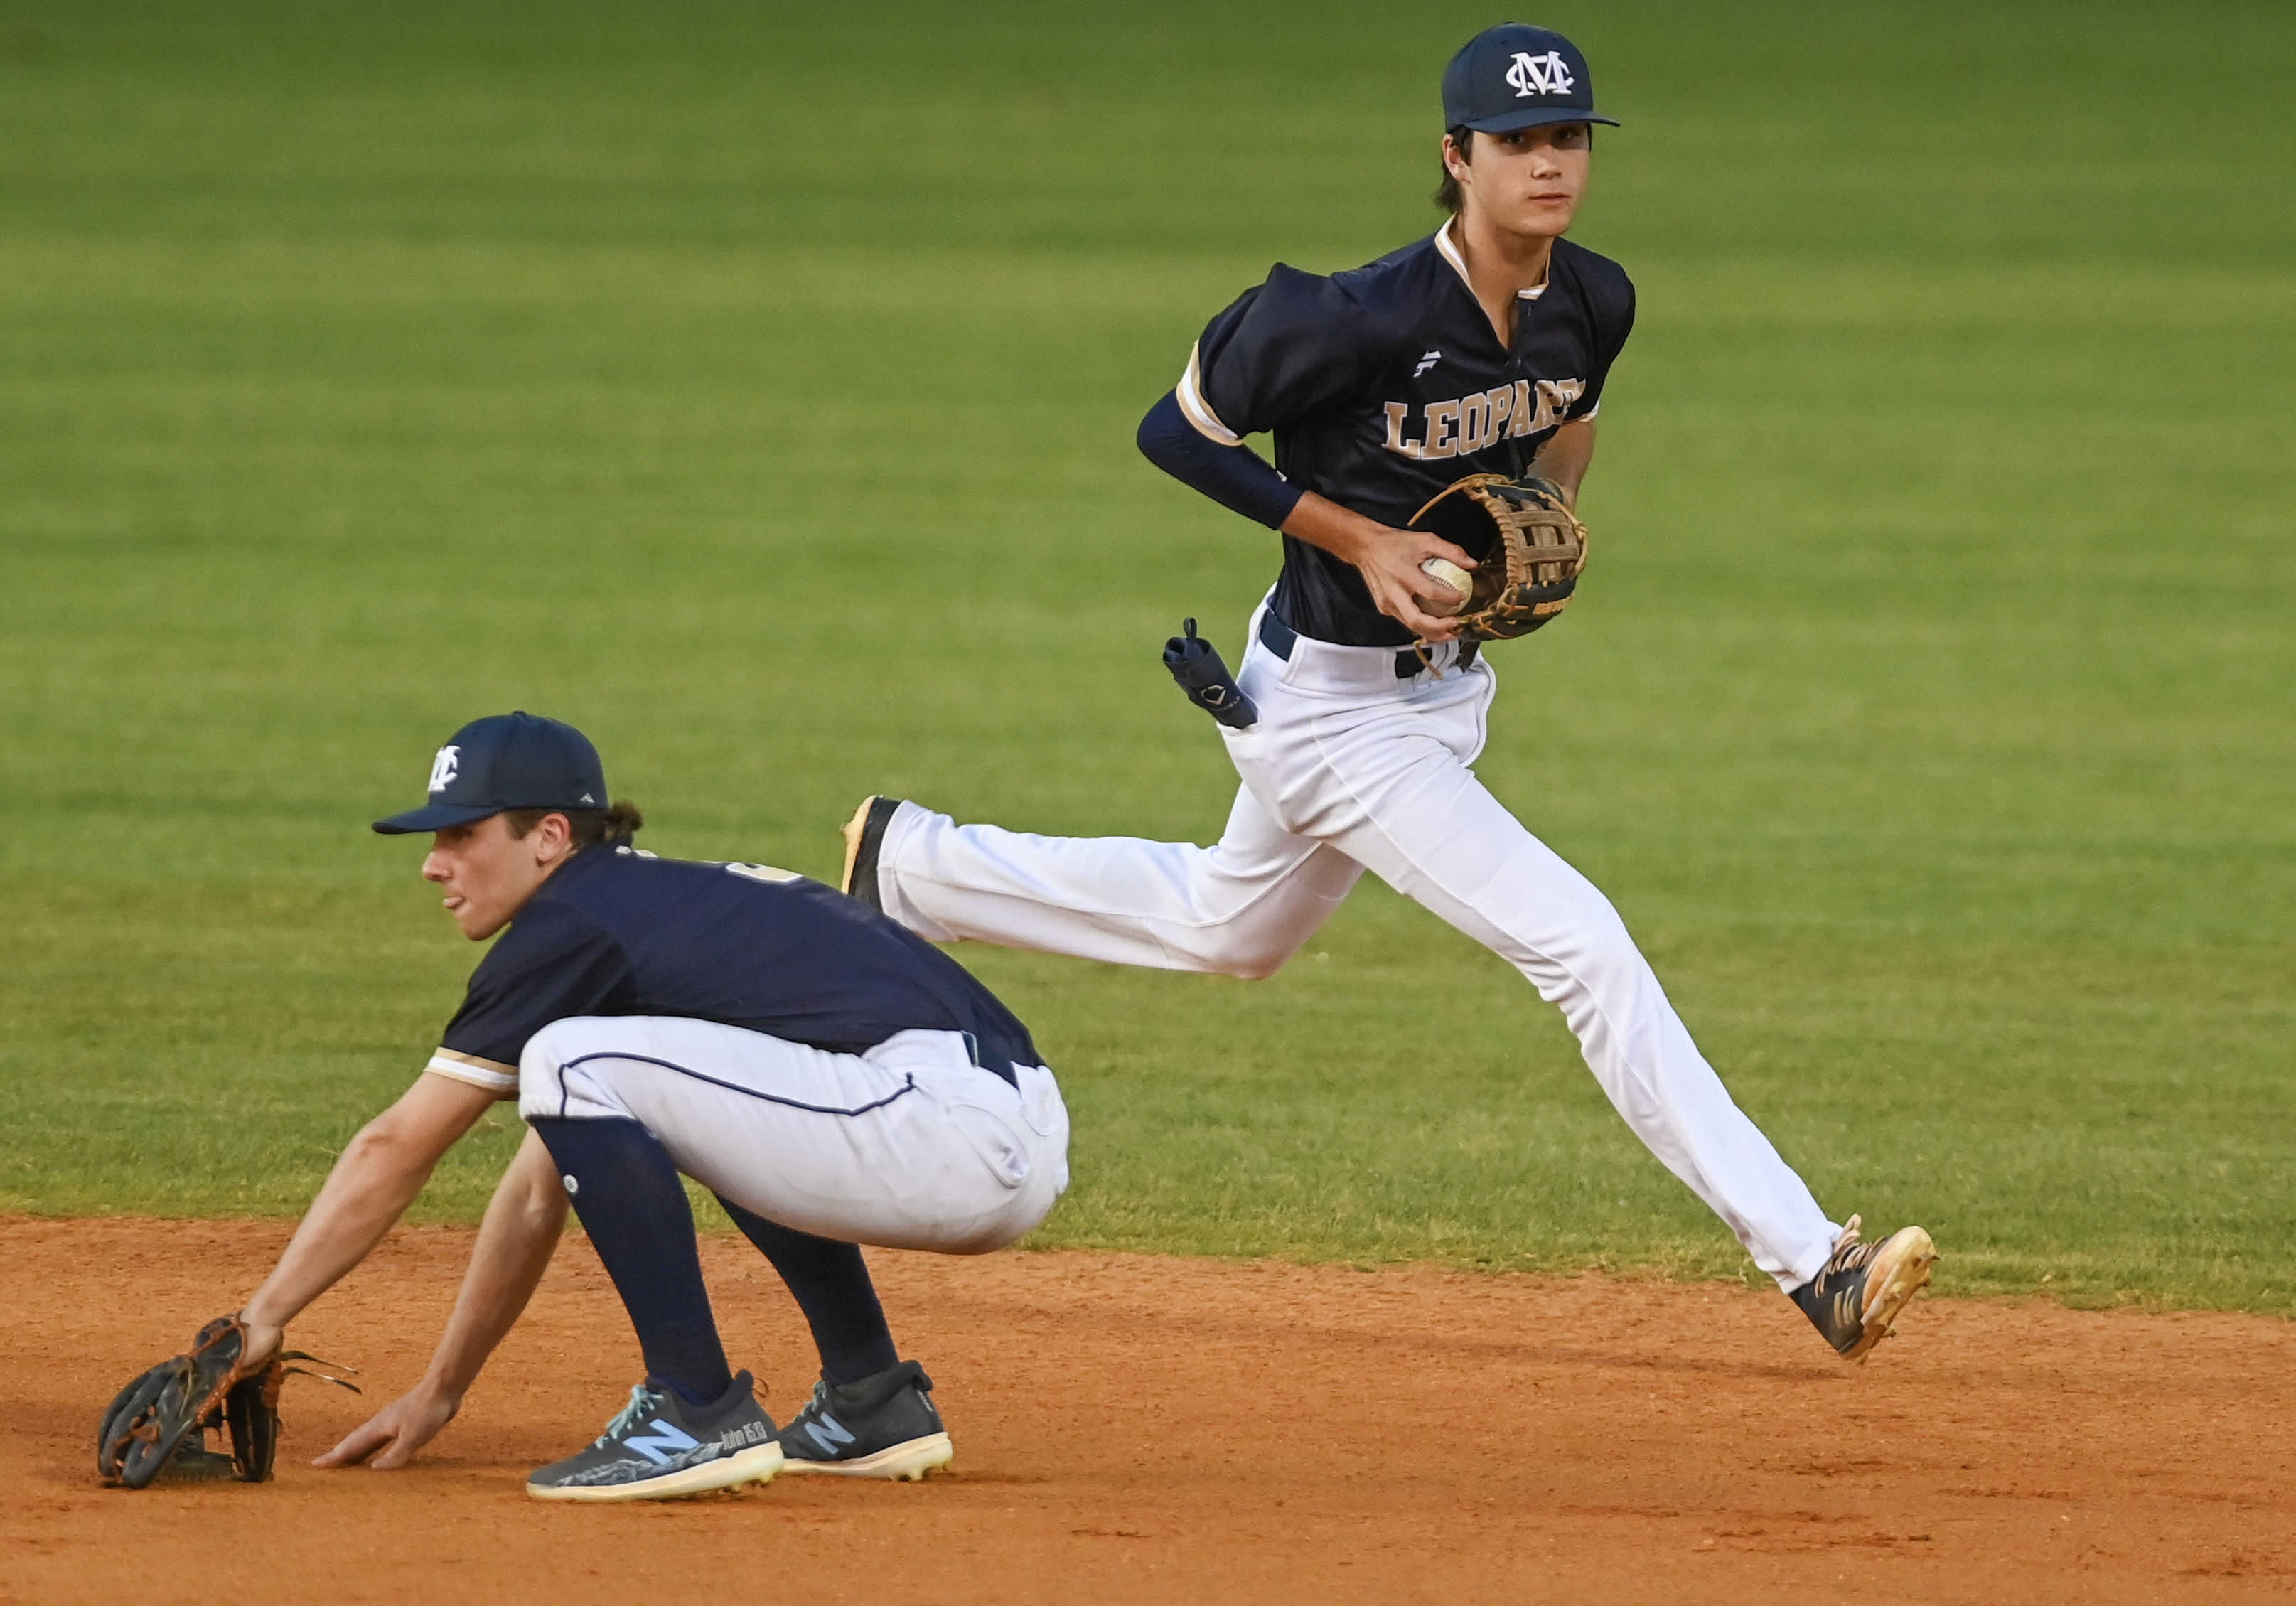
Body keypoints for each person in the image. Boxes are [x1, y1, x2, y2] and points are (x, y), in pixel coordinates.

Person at [836, 23, 1933, 1361]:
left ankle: (912, 867)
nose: (1550, 163)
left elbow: (1574, 405)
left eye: (1570, 138)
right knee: (1582, 943)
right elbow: (1173, 431)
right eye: (1520, 141)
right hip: (1333, 709)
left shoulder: (1595, 298)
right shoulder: (1347, 318)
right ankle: (1811, 1255)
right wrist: (1354, 536)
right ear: (1456, 156)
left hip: (1435, 696)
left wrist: (1558, 506)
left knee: (1230, 927)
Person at [228, 710, 1069, 1501]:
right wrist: (440, 1391)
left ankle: (694, 1408)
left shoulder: (574, 928)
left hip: (942, 1128)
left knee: (562, 1055)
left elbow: (396, 1146)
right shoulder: (649, 912)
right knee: (645, 1082)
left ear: (549, 836)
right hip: (982, 1118)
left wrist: (259, 1319)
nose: (432, 862)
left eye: (462, 834)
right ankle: (869, 1400)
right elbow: (534, 1188)